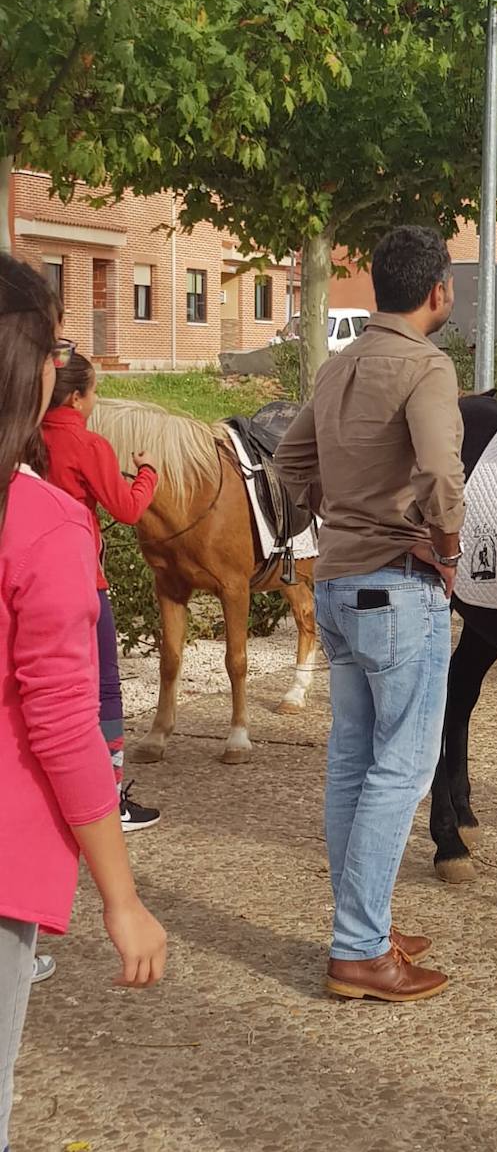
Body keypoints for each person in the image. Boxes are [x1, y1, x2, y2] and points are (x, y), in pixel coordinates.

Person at [0, 254, 166, 1151]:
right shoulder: (43, 518)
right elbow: (54, 725)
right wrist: (121, 898)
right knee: (98, 705)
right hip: (3, 855)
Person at [275, 225, 465, 1003]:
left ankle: (364, 925)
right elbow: (440, 470)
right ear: (436, 292)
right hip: (397, 586)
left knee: (353, 762)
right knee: (403, 767)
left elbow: (288, 463)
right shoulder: (426, 364)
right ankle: (358, 947)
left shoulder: (340, 362)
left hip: (337, 583)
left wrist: (342, 516)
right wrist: (444, 549)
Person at [41, 353, 161, 831]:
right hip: (82, 584)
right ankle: (109, 801)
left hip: (29, 582)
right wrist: (147, 472)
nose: (96, 400)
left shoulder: (26, 438)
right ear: (76, 396)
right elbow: (128, 509)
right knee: (104, 691)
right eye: (93, 392)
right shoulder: (86, 443)